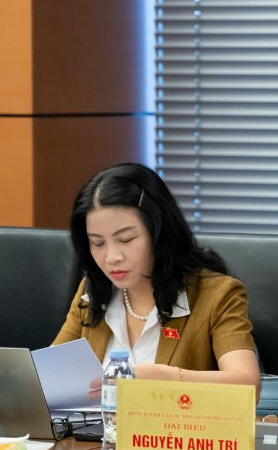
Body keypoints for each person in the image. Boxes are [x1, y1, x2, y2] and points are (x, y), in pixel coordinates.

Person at [53, 163, 261, 394]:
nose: (112, 257)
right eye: (98, 243)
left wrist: (168, 378)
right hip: (98, 430)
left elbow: (248, 386)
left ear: (159, 232)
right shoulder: (92, 293)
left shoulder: (217, 295)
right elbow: (49, 378)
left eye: (126, 239)